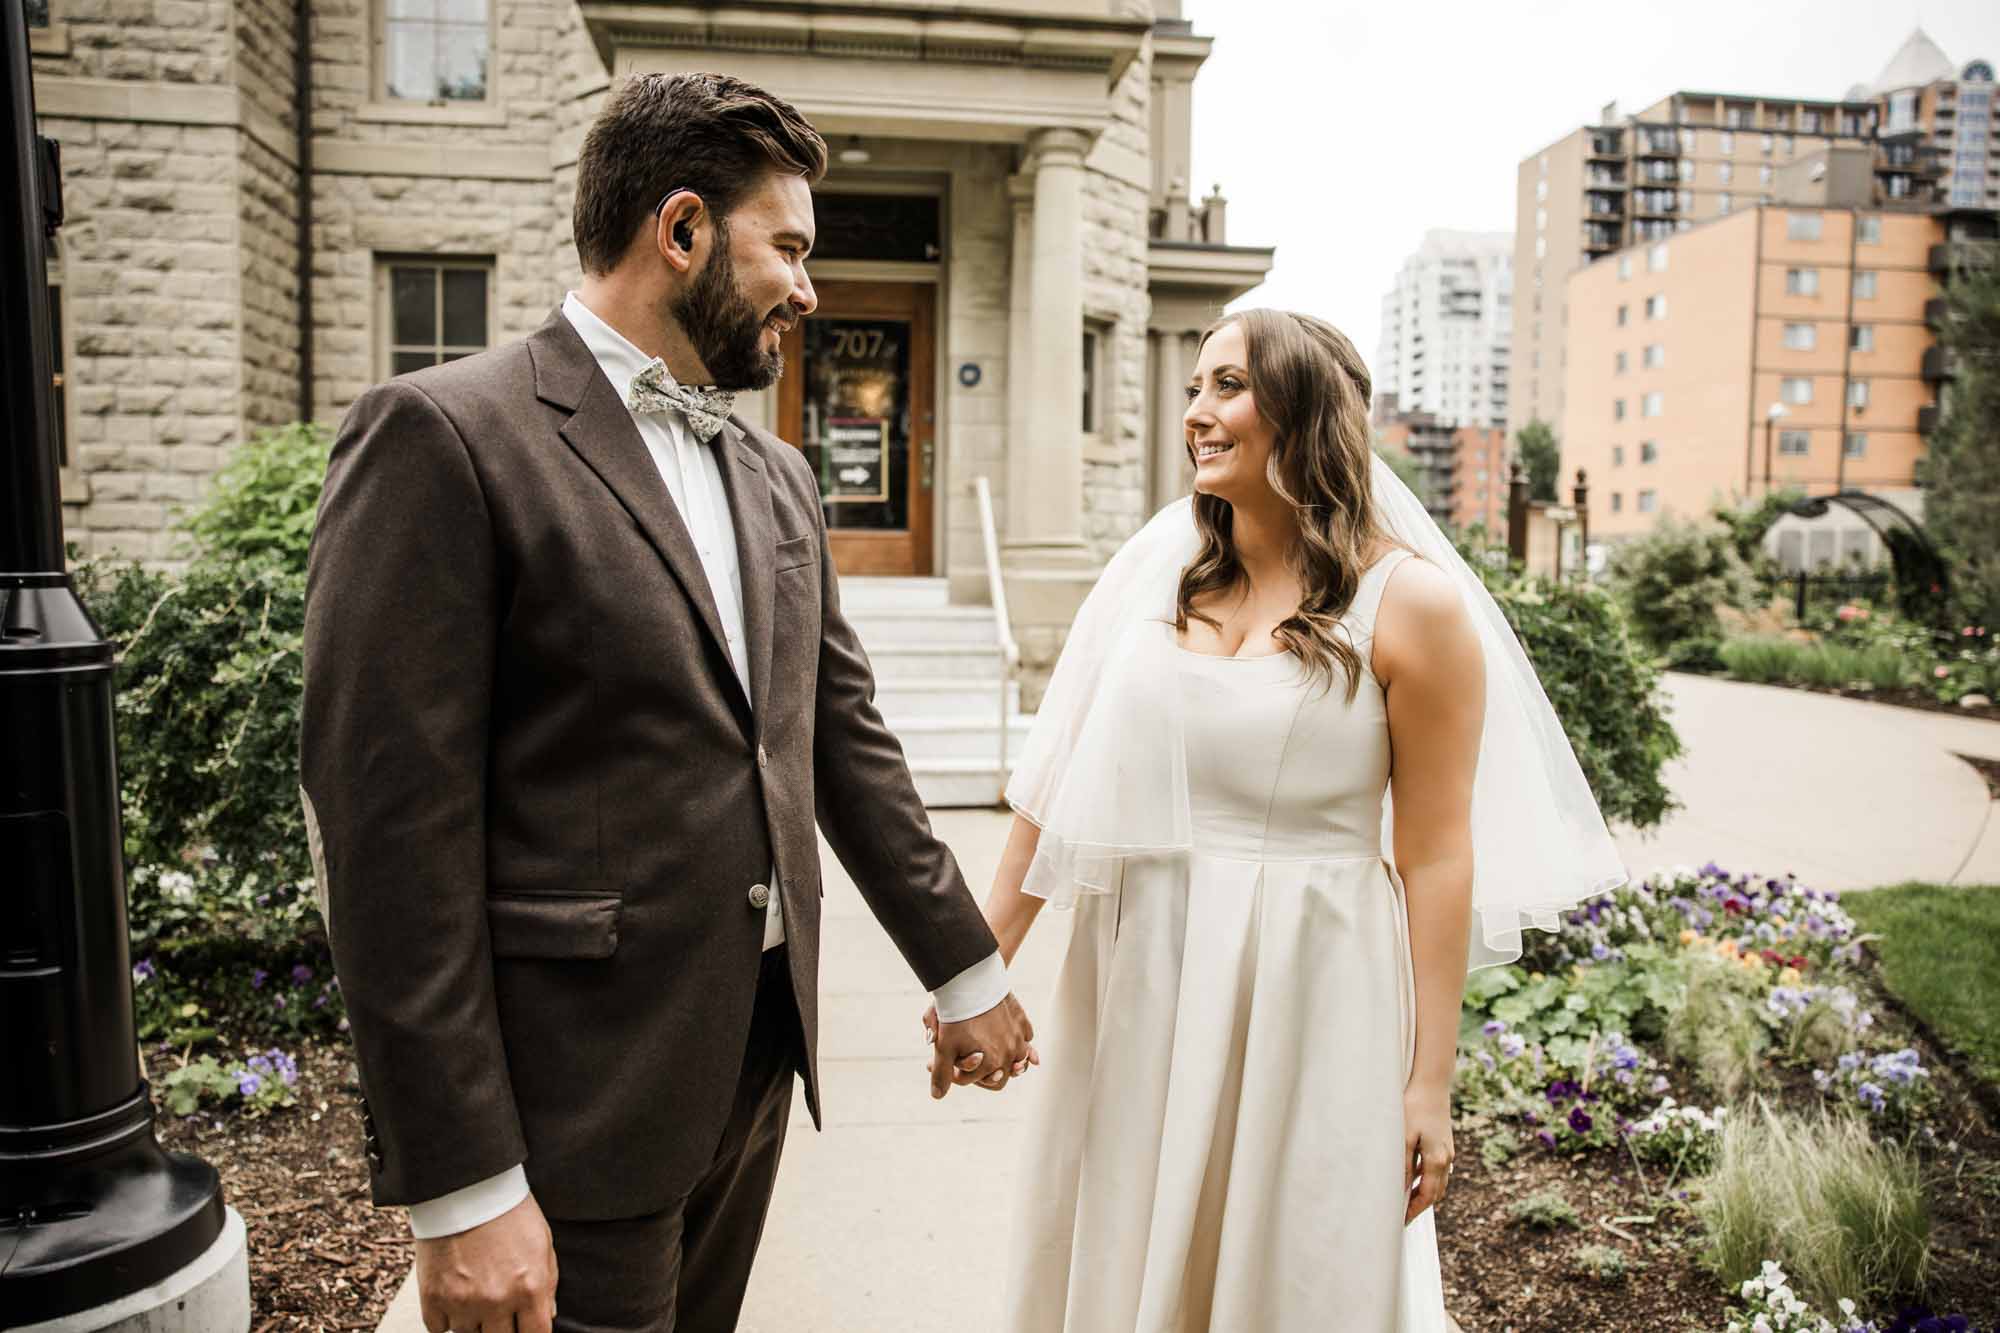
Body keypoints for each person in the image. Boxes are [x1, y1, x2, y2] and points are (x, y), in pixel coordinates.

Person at [300, 72, 1035, 1333]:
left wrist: (963, 967)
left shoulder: (777, 474)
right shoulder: (443, 436)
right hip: (564, 1109)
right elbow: (387, 839)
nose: (808, 289)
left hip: (747, 1064)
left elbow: (838, 743)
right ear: (682, 230)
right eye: (787, 248)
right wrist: (461, 1185)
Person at [934, 309, 1625, 1330]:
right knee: (1121, 1243)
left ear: (1304, 413)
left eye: (1227, 387)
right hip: (1139, 973)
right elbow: (1049, 789)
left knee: (1295, 1265)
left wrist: (1427, 1082)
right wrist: (975, 971)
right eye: (1194, 388)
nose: (1196, 413)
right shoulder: (1153, 573)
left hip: (1312, 983)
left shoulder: (1410, 604)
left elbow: (1435, 855)